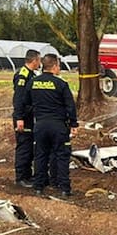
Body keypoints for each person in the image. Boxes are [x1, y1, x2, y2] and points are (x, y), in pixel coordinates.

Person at [13, 53, 77, 197]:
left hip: (40, 125)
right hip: (58, 125)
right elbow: (70, 106)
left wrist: (24, 114)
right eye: (59, 65)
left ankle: (38, 186)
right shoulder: (61, 84)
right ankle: (64, 188)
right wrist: (74, 123)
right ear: (54, 66)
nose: (59, 68)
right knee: (62, 155)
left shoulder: (33, 82)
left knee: (40, 155)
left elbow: (24, 101)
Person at [10, 49, 42, 187]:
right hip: (23, 117)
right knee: (24, 147)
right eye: (39, 60)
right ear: (34, 60)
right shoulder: (23, 76)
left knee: (29, 146)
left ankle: (28, 175)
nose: (40, 63)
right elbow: (18, 99)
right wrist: (19, 118)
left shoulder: (31, 75)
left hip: (29, 116)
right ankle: (21, 177)